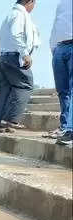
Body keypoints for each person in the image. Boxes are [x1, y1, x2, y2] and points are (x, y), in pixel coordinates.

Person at [0, 0, 40, 134]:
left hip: (4, 57)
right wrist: (25, 53)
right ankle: (11, 119)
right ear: (30, 1)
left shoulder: (11, 14)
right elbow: (17, 34)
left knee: (5, 90)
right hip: (14, 57)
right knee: (25, 85)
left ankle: (1, 123)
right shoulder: (20, 15)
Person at [50, 0, 73, 146]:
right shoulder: (62, 3)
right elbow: (56, 25)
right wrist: (54, 48)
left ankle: (70, 130)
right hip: (60, 47)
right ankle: (65, 126)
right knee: (62, 90)